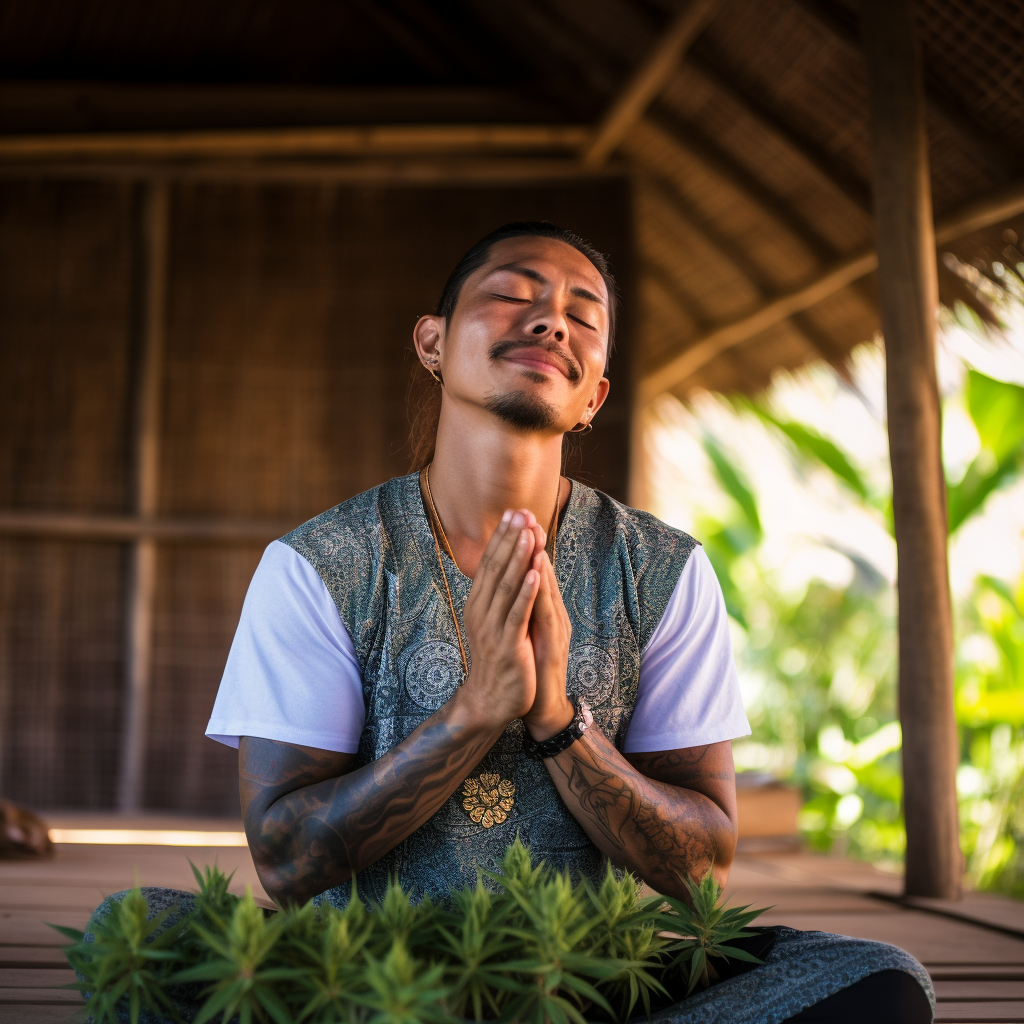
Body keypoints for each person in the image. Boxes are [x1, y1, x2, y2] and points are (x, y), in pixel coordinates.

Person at [88, 222, 933, 1024]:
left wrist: (561, 722)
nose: (549, 321)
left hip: (586, 984)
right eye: (515, 293)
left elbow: (701, 868)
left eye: (581, 314)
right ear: (431, 342)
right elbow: (286, 862)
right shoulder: (320, 565)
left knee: (880, 981)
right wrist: (473, 712)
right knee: (136, 937)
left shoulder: (663, 571)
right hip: (363, 988)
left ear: (595, 393)